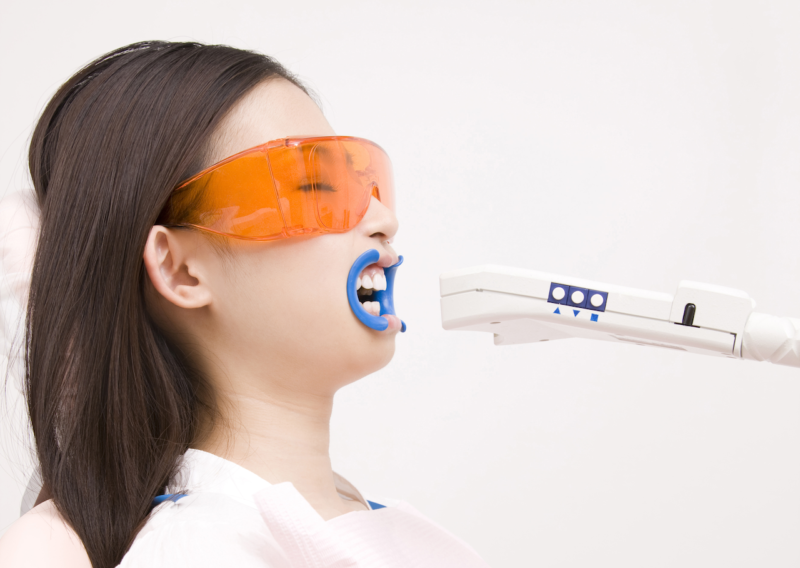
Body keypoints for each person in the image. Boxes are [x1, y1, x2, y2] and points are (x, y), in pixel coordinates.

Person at [0, 41, 490, 567]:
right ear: (181, 270)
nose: (383, 221)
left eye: (367, 185)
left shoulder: (378, 526)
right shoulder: (193, 550)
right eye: (314, 189)